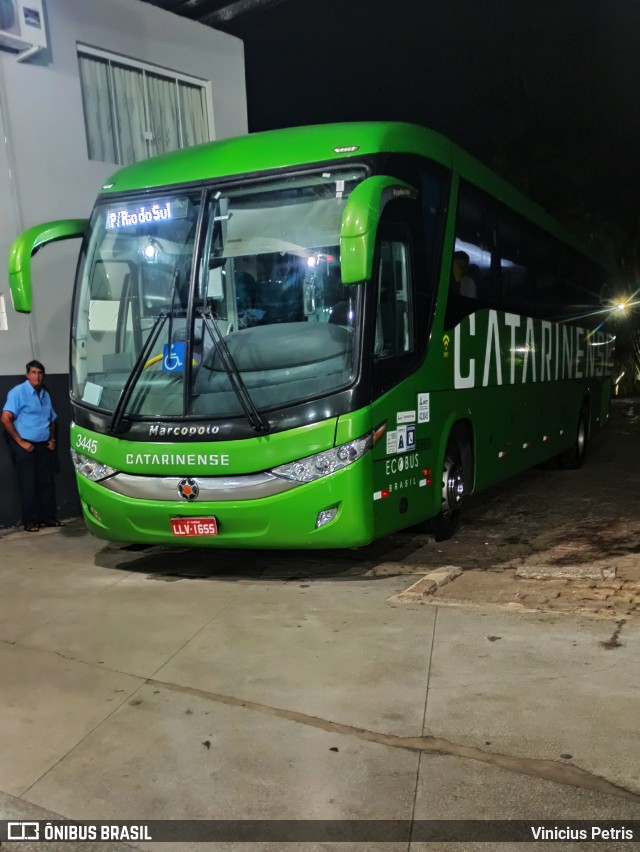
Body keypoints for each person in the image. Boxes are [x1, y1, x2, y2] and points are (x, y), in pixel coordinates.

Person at [1, 360, 61, 532]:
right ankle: (30, 522)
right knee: (29, 484)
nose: (37, 376)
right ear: (27, 374)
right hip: (25, 448)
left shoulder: (45, 394)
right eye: (33, 372)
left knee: (46, 483)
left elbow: (52, 419)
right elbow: (5, 418)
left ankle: (48, 518)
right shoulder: (18, 392)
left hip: (44, 446)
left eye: (40, 372)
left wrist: (52, 439)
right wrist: (20, 442)